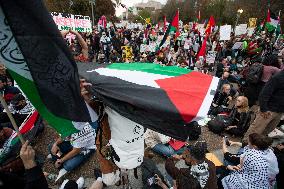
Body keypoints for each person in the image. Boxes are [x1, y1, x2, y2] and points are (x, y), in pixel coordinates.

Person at [243, 70, 284, 142]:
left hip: (279, 111)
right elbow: (264, 93)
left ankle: (257, 146)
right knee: (255, 130)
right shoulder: (277, 77)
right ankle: (245, 146)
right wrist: (264, 109)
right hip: (269, 109)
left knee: (266, 131)